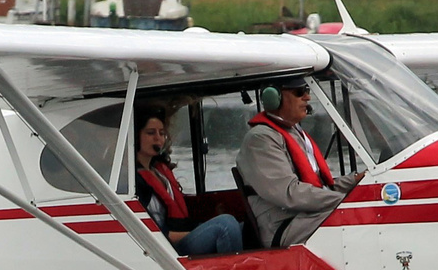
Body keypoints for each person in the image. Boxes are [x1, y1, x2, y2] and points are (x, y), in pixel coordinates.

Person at [235, 78, 366, 249]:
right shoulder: (261, 139)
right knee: (362, 214)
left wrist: (356, 181)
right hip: (285, 226)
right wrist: (348, 202)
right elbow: (290, 193)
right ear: (273, 97)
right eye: (299, 92)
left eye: (307, 90)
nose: (307, 97)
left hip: (306, 215)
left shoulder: (294, 132)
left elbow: (321, 187)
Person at [135, 109, 242, 256]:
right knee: (226, 225)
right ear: (136, 136)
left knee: (242, 228)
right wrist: (195, 232)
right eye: (150, 133)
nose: (158, 138)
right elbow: (155, 232)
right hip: (167, 247)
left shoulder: (160, 171)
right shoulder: (136, 182)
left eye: (161, 133)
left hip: (181, 235)